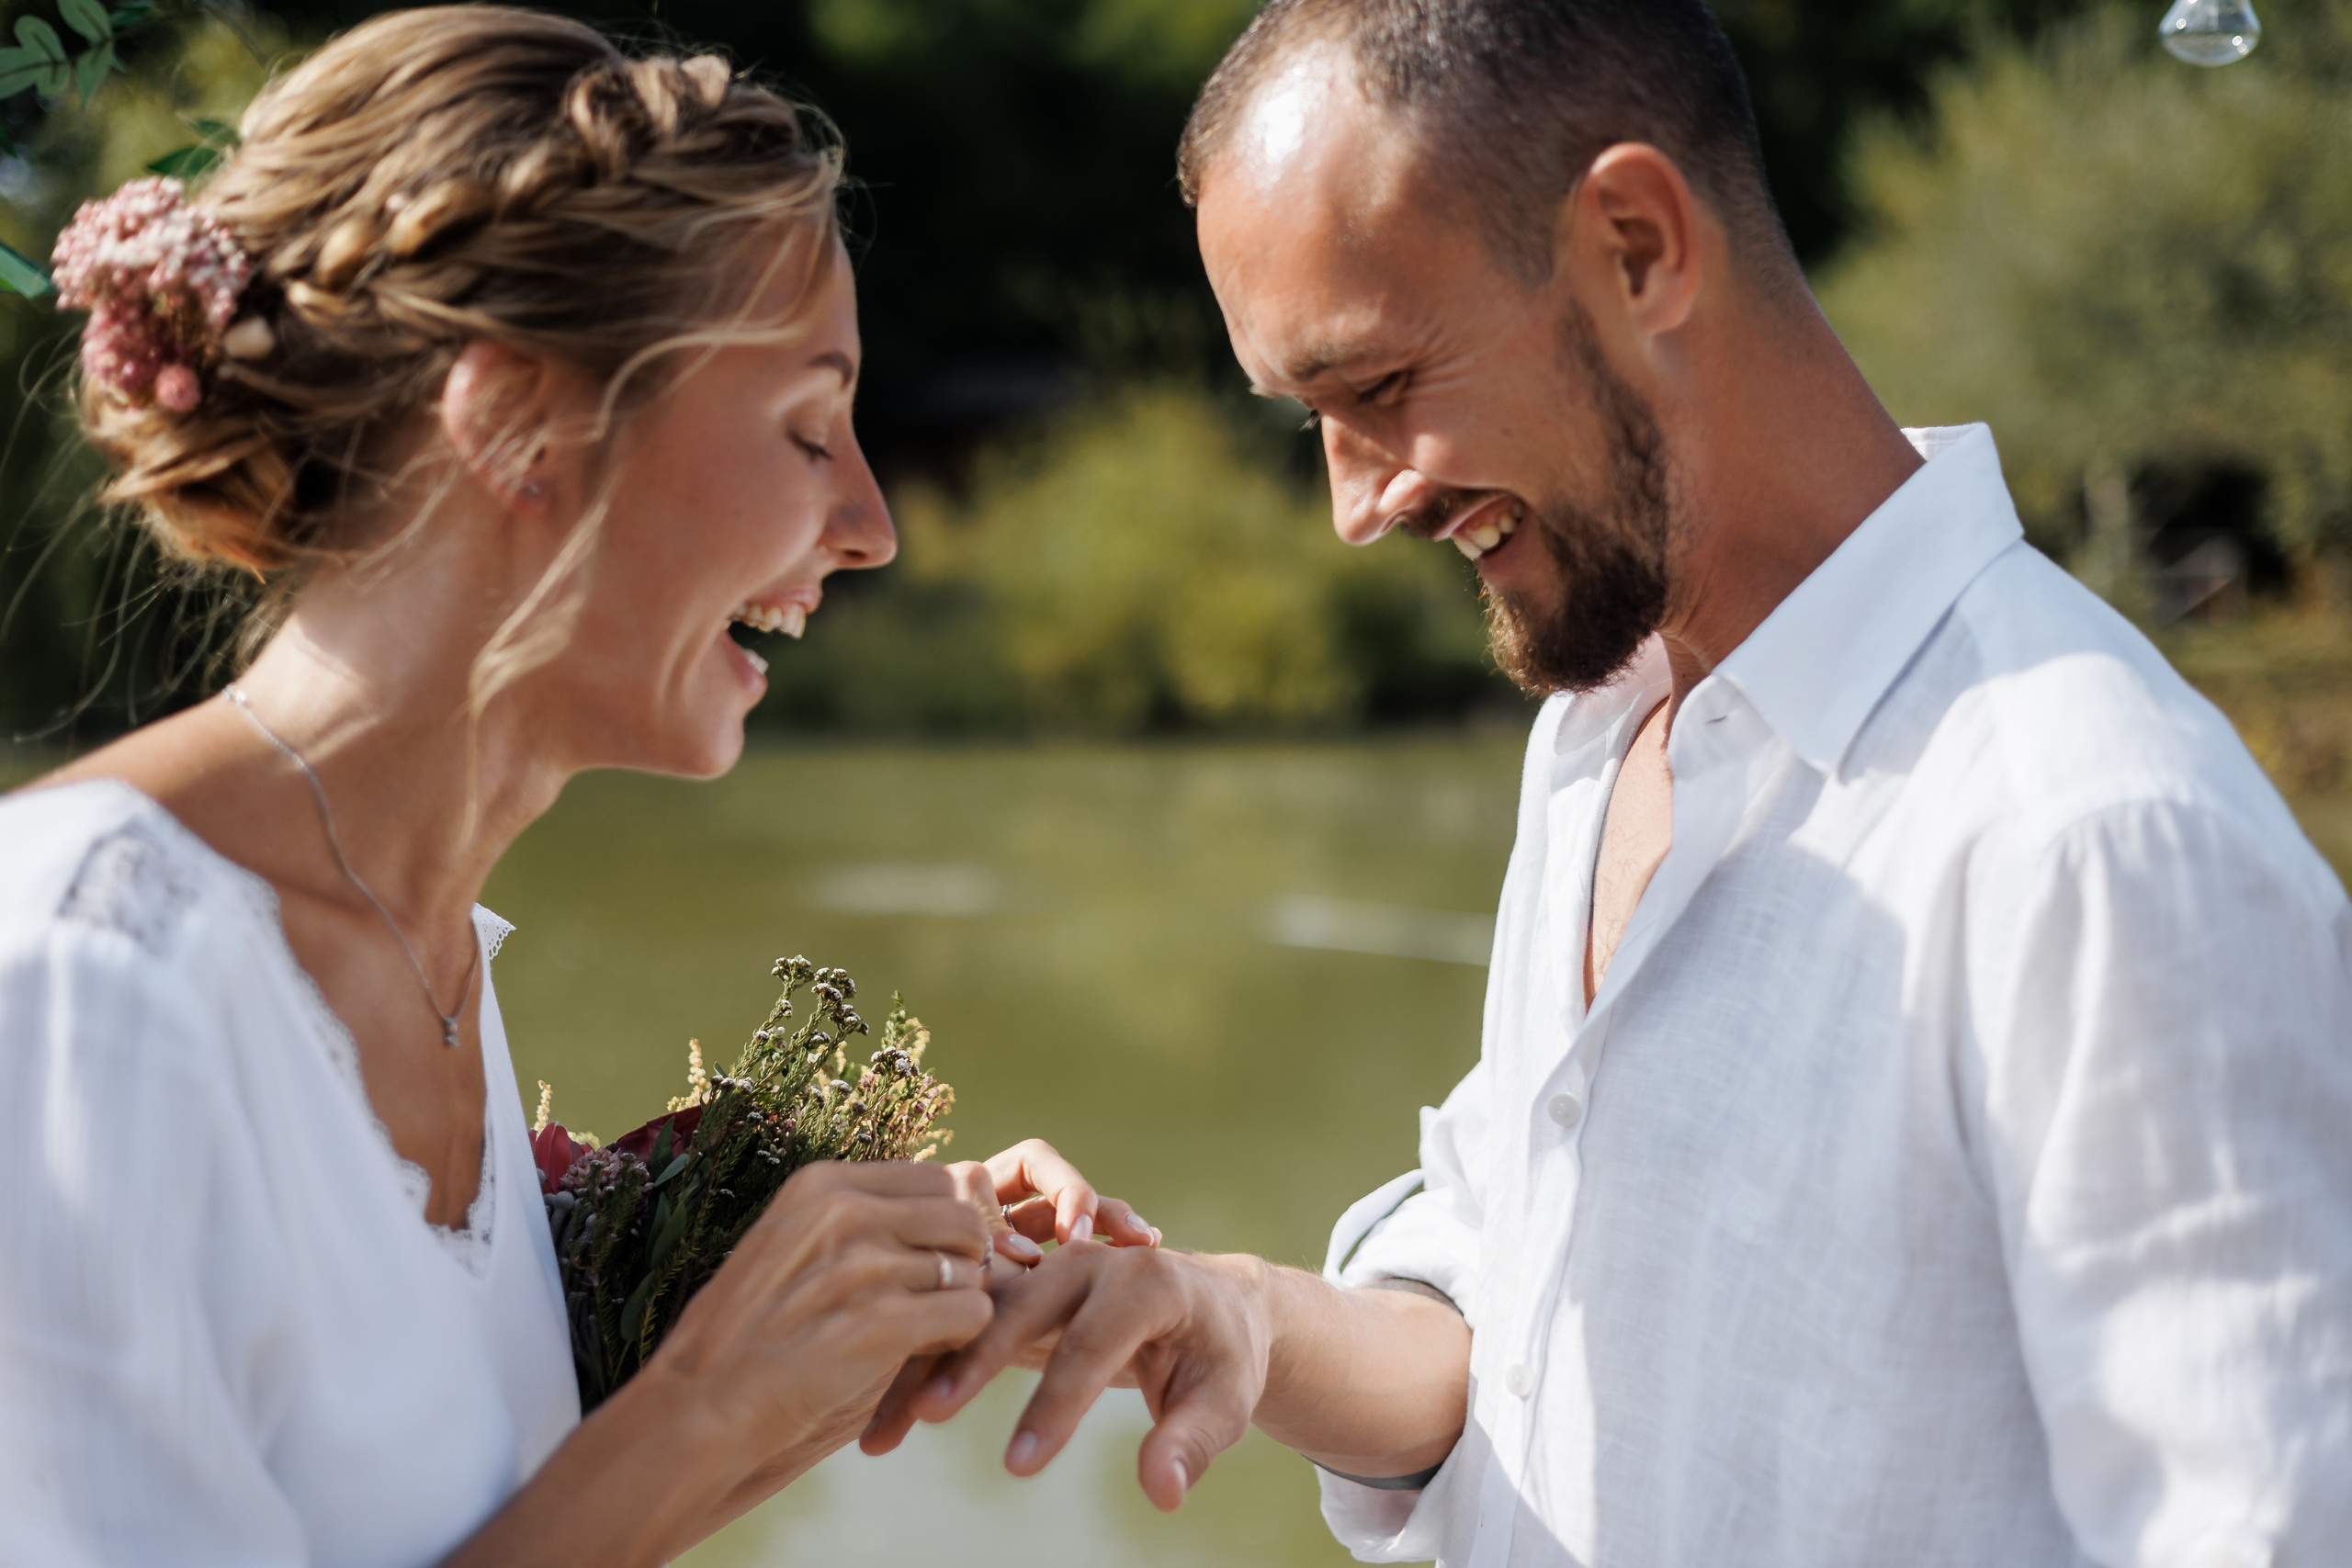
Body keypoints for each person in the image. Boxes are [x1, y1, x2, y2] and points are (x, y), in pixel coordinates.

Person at [879, 2, 2352, 1562]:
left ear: (1639, 244)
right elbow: (1525, 1325)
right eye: (1313, 421)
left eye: (1375, 382)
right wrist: (1224, 1313)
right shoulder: (1609, 719)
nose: (1356, 507)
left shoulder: (2098, 843)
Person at [0, 10, 1155, 1565]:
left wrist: (832, 1332)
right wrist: (699, 1409)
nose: (874, 524)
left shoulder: (437, 957)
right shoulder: (87, 981)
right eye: (810, 429)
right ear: (517, 427)